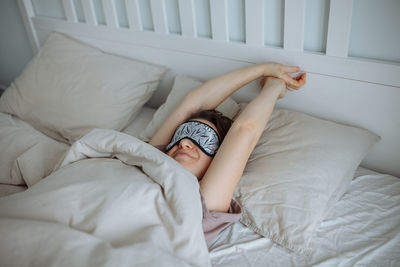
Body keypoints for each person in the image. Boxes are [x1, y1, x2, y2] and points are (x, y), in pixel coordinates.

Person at [149, 63, 307, 244]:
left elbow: (245, 130)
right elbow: (193, 103)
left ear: (218, 159)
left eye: (202, 140)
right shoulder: (149, 158)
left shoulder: (201, 205)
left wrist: (274, 86)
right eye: (180, 135)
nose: (184, 142)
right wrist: (263, 69)